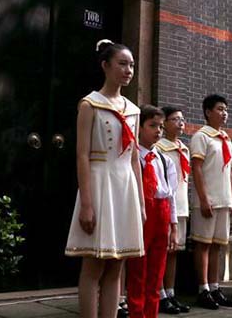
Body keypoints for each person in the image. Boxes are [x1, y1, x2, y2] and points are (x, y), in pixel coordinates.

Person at [66, 40, 145, 318]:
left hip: (125, 189)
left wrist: (140, 202)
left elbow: (134, 158)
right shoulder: (90, 105)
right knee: (93, 266)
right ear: (105, 66)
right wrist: (87, 204)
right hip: (100, 186)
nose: (128, 70)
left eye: (131, 65)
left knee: (117, 264)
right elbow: (82, 156)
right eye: (122, 64)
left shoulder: (133, 110)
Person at [126, 106, 179, 318]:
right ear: (139, 128)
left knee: (157, 271)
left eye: (160, 126)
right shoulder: (133, 158)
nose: (158, 130)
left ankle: (152, 313)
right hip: (142, 212)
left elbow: (171, 196)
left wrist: (174, 227)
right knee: (138, 269)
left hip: (162, 213)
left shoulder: (165, 161)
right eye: (152, 126)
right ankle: (136, 312)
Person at [190, 94, 232, 310]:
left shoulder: (226, 139)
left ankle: (215, 286)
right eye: (219, 109)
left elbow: (230, 171)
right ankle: (203, 289)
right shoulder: (202, 136)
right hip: (207, 199)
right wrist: (203, 197)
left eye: (225, 109)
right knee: (203, 244)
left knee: (218, 245)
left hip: (223, 199)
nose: (224, 113)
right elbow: (197, 168)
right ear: (208, 112)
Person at [156, 106, 191, 314]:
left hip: (181, 205)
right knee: (162, 251)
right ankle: (159, 293)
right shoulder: (159, 148)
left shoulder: (183, 148)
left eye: (182, 119)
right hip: (166, 204)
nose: (180, 123)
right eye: (175, 119)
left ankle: (170, 292)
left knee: (174, 251)